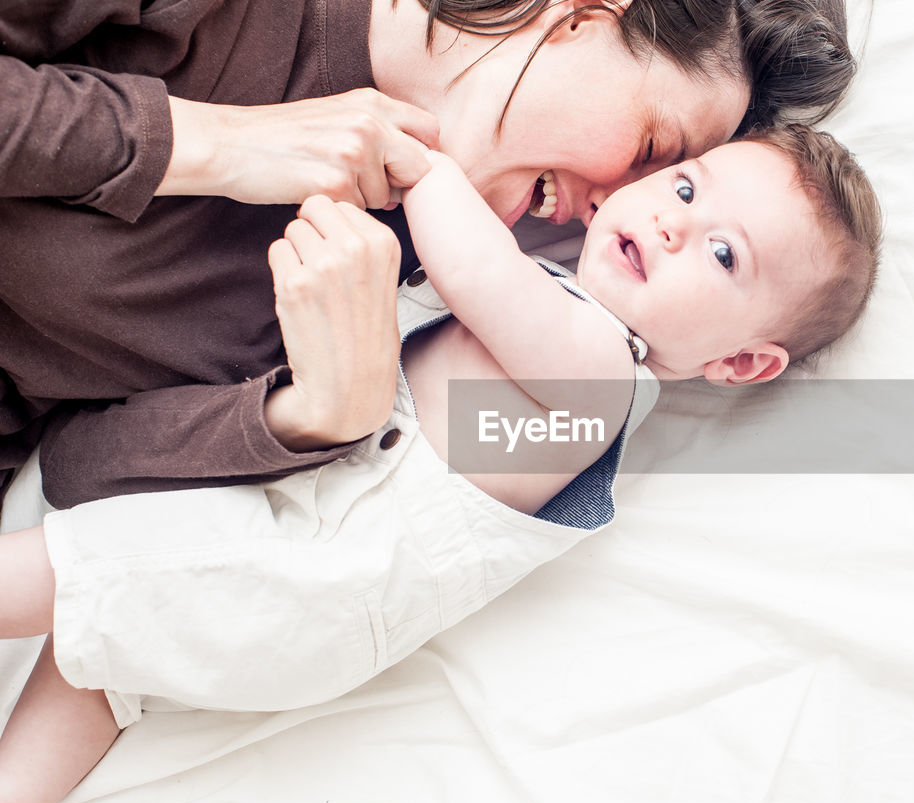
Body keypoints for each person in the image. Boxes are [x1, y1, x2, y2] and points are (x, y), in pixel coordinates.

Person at [0, 123, 883, 803]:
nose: (672, 228)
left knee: (85, 571)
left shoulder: (601, 380)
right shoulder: (566, 302)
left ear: (738, 363)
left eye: (724, 255)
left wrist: (426, 163)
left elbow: (477, 269)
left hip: (317, 563)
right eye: (686, 189)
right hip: (301, 554)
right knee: (104, 654)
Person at [0, 0, 857, 508]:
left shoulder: (420, 288)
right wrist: (216, 144)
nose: (614, 202)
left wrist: (318, 413)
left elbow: (75, 472)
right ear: (585, 19)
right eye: (651, 149)